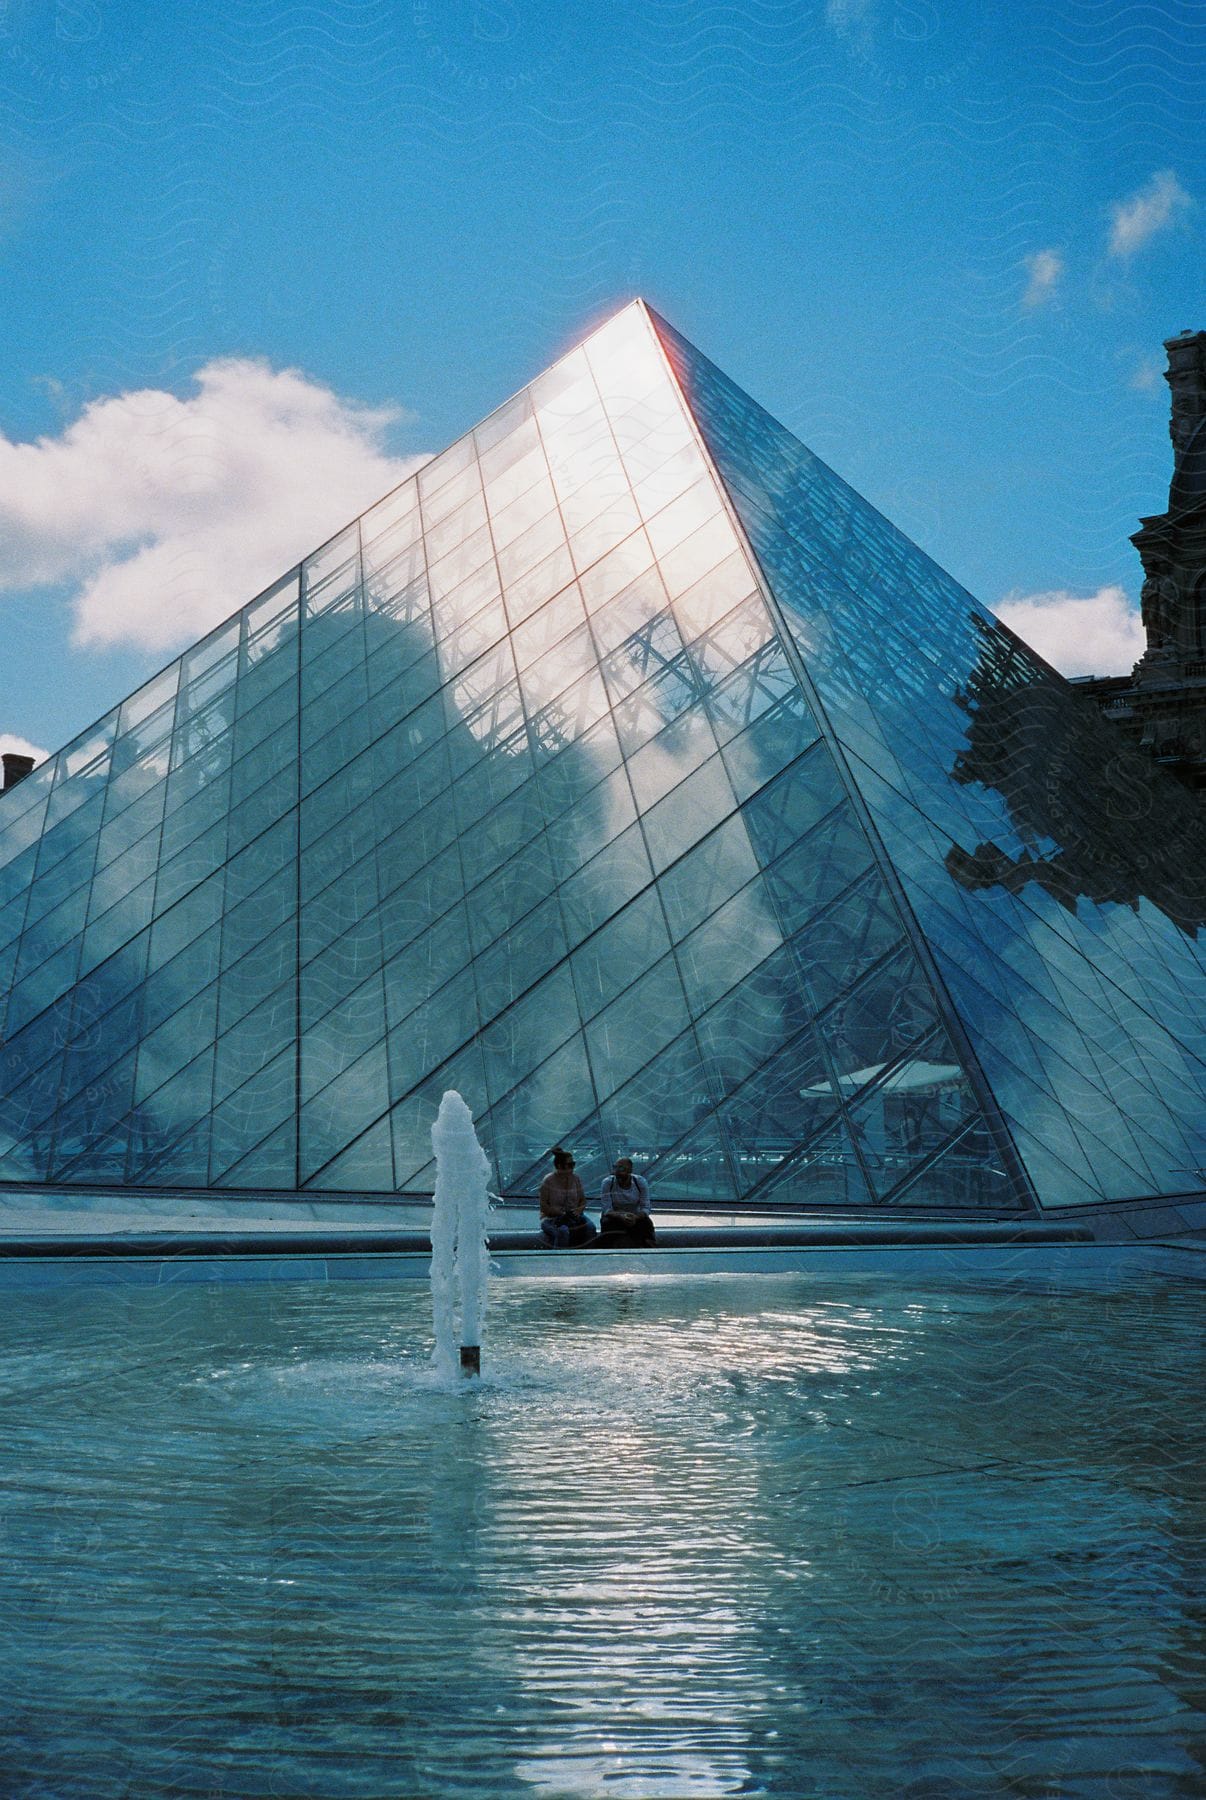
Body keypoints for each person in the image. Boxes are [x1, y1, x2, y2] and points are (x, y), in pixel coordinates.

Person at [538, 1147, 597, 1247]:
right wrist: (560, 1213)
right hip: (552, 1218)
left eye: (573, 1164)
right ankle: (560, 1258)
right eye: (570, 1165)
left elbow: (582, 1200)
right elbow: (544, 1207)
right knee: (563, 1232)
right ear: (560, 1166)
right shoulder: (548, 1181)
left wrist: (578, 1211)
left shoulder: (575, 1179)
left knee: (590, 1228)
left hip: (574, 1216)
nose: (573, 1168)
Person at [598, 1157, 655, 1247]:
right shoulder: (608, 1183)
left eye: (621, 1168)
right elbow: (607, 1209)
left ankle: (650, 1250)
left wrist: (635, 1217)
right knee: (607, 1223)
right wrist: (621, 1216)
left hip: (634, 1216)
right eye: (615, 1167)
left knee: (647, 1224)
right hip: (614, 1216)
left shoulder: (640, 1182)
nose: (617, 1171)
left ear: (630, 1170)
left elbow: (646, 1207)